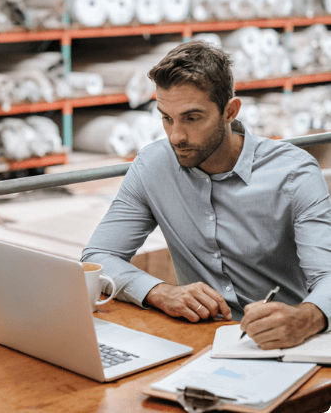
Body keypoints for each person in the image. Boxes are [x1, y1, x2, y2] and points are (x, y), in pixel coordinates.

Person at [81, 40, 331, 350]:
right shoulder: (152, 166)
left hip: (286, 343)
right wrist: (159, 291)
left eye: (192, 118)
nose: (176, 136)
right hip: (198, 341)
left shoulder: (294, 173)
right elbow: (97, 257)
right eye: (166, 117)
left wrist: (306, 317)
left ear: (230, 111)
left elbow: (328, 275)